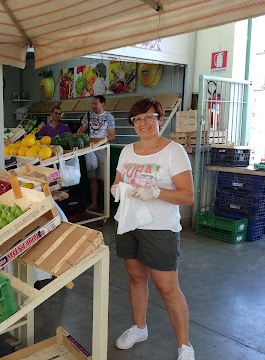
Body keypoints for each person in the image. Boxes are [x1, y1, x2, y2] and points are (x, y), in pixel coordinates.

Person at [111, 98, 195, 360]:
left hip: (160, 228)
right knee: (136, 277)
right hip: (129, 223)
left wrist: (157, 191)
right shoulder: (127, 151)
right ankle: (139, 328)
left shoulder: (173, 151)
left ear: (160, 118)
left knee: (167, 287)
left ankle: (184, 345)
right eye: (137, 119)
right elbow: (117, 183)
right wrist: (117, 190)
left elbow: (187, 196)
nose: (143, 123)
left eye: (149, 117)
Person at [77, 95, 115, 210]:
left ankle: (106, 205)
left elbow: (112, 136)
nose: (93, 106)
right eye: (92, 103)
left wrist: (100, 142)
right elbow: (81, 131)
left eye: (96, 104)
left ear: (103, 104)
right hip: (90, 150)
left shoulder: (109, 117)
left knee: (104, 179)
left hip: (102, 149)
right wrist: (78, 136)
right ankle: (94, 203)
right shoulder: (88, 115)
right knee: (92, 178)